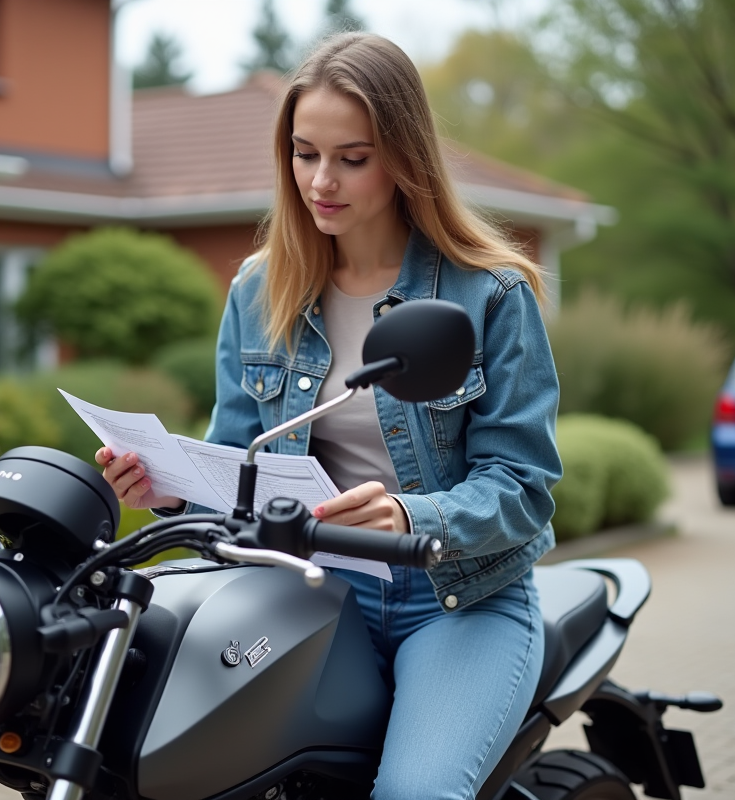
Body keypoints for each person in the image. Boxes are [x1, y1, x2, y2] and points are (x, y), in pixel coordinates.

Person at [96, 32, 561, 800]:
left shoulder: (492, 294)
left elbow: (523, 486)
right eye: (305, 153)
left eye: (353, 157)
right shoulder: (259, 289)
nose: (322, 180)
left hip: (458, 597)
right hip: (307, 586)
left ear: (405, 156)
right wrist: (168, 487)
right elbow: (238, 453)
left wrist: (412, 515)